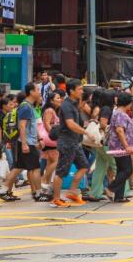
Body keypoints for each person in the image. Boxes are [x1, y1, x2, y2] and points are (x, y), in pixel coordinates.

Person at [51, 79, 91, 208]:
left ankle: (72, 192)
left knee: (84, 165)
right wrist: (86, 132)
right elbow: (70, 124)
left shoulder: (74, 104)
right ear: (71, 91)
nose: (82, 91)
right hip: (67, 143)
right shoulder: (66, 105)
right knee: (61, 171)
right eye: (79, 89)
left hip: (74, 142)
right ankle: (56, 198)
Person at [4, 84, 44, 201]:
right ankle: (38, 193)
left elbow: (31, 126)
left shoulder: (28, 106)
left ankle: (3, 189)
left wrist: (39, 138)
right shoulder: (26, 107)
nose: (39, 92)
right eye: (37, 90)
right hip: (27, 142)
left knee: (18, 167)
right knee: (36, 168)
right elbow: (22, 126)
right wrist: (25, 144)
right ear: (31, 92)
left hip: (27, 141)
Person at [106, 92, 133, 203]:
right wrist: (126, 146)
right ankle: (110, 188)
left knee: (121, 170)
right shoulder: (121, 114)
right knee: (128, 170)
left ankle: (119, 196)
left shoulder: (117, 112)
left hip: (120, 146)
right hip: (121, 147)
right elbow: (120, 130)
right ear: (128, 103)